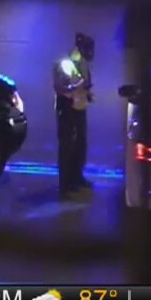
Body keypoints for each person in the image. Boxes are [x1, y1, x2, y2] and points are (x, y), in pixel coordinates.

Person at [53, 32, 95, 196]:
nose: (91, 54)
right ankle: (65, 184)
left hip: (80, 107)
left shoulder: (83, 63)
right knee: (67, 146)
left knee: (80, 144)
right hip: (67, 107)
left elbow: (85, 84)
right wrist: (78, 86)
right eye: (88, 50)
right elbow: (60, 87)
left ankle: (77, 177)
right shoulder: (64, 63)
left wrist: (87, 93)